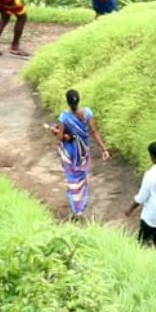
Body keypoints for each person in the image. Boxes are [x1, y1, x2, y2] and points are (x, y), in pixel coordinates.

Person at [49, 89, 109, 219]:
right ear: (79, 99)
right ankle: (82, 200)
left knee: (72, 177)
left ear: (67, 102)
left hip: (70, 151)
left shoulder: (64, 117)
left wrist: (55, 131)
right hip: (83, 150)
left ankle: (77, 207)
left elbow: (60, 137)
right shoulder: (87, 113)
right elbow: (94, 132)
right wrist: (104, 149)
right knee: (81, 175)